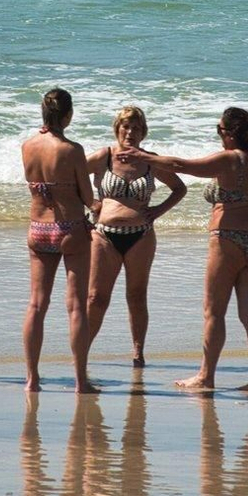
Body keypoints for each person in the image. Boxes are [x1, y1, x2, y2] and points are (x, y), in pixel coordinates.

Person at [121, 106, 248, 393]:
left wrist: (144, 156)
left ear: (229, 134)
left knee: (213, 312)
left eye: (219, 130)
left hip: (228, 238)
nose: (218, 136)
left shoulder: (227, 159)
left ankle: (206, 376)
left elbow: (182, 166)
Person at [84, 106, 186, 368]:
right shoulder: (104, 156)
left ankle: (138, 352)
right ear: (117, 129)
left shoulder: (151, 160)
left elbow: (179, 188)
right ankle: (82, 349)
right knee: (96, 297)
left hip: (140, 236)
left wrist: (157, 211)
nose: (130, 132)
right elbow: (72, 178)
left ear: (143, 132)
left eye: (136, 128)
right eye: (126, 127)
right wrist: (92, 203)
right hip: (104, 236)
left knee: (137, 295)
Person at [21, 88, 99, 393]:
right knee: (76, 307)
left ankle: (32, 378)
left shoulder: (27, 146)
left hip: (38, 227)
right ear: (68, 115)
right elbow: (87, 196)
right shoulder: (71, 150)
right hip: (69, 228)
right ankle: (80, 381)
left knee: (36, 304)